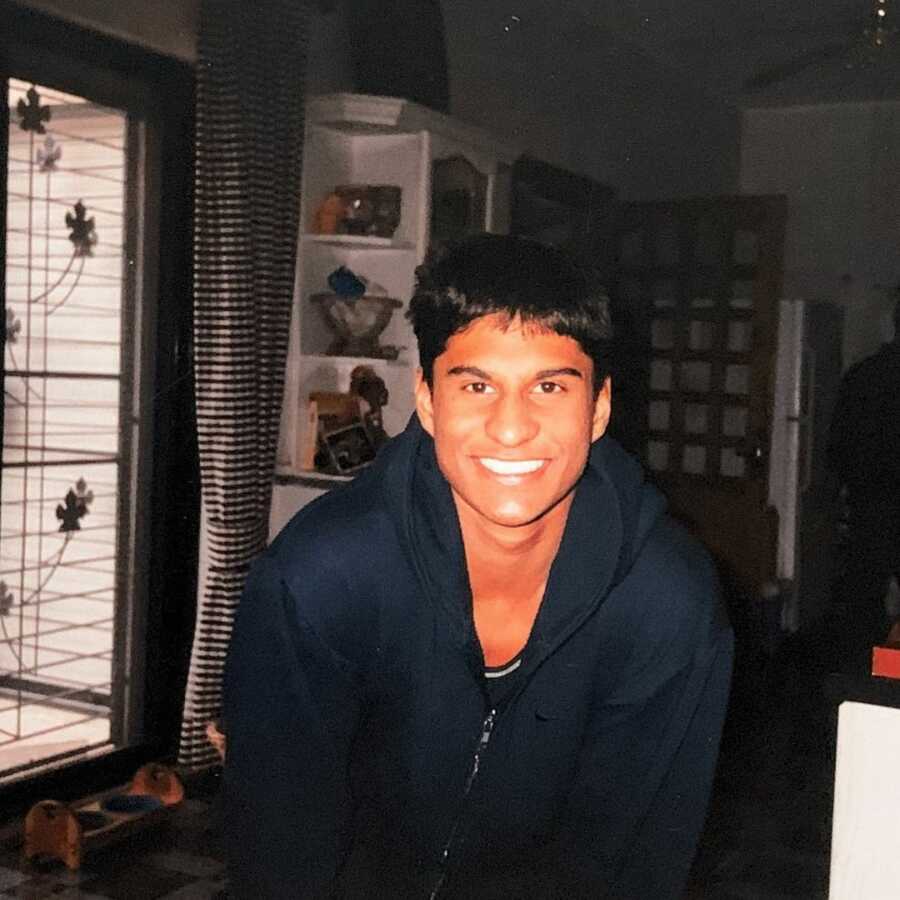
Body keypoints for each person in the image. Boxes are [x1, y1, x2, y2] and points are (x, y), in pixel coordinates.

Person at [223, 234, 733, 899]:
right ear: (429, 402)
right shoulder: (323, 577)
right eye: (477, 385)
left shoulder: (667, 602)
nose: (512, 428)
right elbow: (281, 850)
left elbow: (629, 861)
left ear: (599, 407)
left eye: (549, 385)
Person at [827, 294, 900, 671]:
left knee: (863, 606)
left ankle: (866, 687)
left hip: (869, 508)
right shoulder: (864, 377)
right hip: (876, 505)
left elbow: (836, 450)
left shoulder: (863, 377)